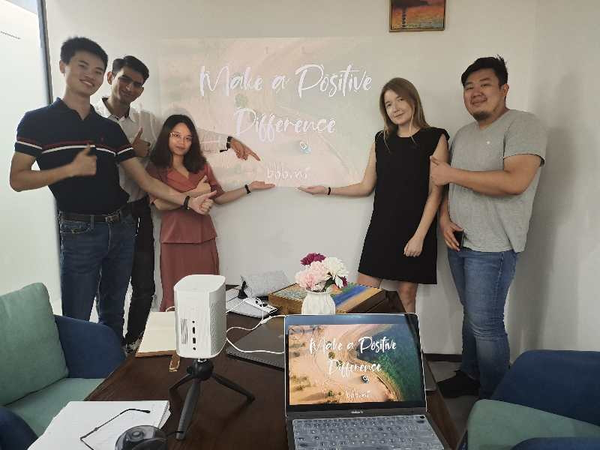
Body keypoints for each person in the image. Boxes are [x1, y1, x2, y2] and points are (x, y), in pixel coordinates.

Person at [9, 37, 214, 340]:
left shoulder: (109, 128)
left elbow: (145, 181)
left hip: (122, 226)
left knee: (113, 311)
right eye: (83, 66)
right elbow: (17, 179)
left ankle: (114, 363)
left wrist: (187, 201)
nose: (89, 75)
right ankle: (80, 369)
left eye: (96, 69)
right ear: (63, 66)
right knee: (77, 316)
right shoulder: (37, 121)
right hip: (79, 230)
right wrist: (70, 169)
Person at [95, 55, 261, 351]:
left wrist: (230, 143)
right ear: (110, 77)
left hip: (152, 219)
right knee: (116, 288)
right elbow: (158, 202)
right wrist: (194, 194)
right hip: (106, 217)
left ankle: (137, 342)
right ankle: (113, 350)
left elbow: (196, 141)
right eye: (125, 79)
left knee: (150, 287)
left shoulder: (151, 124)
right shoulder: (91, 121)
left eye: (137, 84)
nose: (130, 87)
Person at [432, 56, 547, 399]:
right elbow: (447, 186)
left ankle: (495, 398)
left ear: (504, 89)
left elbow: (515, 182)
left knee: (486, 324)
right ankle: (470, 374)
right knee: (472, 316)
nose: (476, 92)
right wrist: (444, 218)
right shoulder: (463, 134)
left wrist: (451, 174)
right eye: (469, 87)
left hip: (494, 246)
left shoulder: (524, 125)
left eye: (485, 84)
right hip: (460, 241)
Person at [300, 78, 449, 313]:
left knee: (406, 296)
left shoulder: (435, 138)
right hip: (382, 228)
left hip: (416, 228)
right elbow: (365, 186)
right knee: (362, 296)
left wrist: (419, 236)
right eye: (389, 104)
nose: (395, 108)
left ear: (413, 101)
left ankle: (406, 339)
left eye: (400, 99)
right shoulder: (381, 140)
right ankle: (362, 338)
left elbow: (436, 192)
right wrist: (327, 190)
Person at [147, 114, 274, 311]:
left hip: (203, 237)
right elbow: (160, 204)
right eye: (176, 135)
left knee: (207, 296)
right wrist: (195, 192)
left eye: (188, 138)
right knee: (177, 298)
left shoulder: (201, 165)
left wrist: (249, 187)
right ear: (166, 135)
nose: (182, 142)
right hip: (175, 240)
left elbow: (219, 197)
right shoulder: (155, 168)